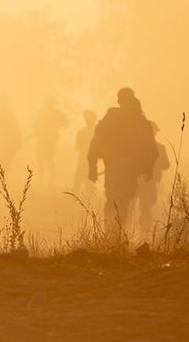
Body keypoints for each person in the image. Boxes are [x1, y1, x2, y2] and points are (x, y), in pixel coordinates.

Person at [86, 88, 158, 229]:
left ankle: (112, 233)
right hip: (126, 168)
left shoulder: (113, 117)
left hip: (117, 168)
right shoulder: (138, 120)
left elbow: (96, 142)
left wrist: (92, 167)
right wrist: (148, 168)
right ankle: (115, 232)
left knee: (114, 199)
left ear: (119, 100)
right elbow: (150, 147)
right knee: (122, 200)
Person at [136, 121, 171, 235]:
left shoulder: (137, 146)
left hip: (141, 181)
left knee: (141, 208)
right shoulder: (159, 147)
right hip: (142, 181)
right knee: (144, 209)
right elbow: (166, 165)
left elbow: (165, 165)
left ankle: (141, 234)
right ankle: (142, 234)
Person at [32, 96, 69, 186]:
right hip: (41, 137)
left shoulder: (57, 113)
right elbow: (36, 123)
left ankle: (50, 178)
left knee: (48, 158)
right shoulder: (42, 112)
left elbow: (66, 123)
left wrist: (56, 123)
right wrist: (38, 129)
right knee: (40, 157)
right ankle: (41, 177)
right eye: (47, 102)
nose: (48, 104)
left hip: (51, 139)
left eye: (49, 102)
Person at [71, 109, 98, 197]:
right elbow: (78, 147)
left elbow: (78, 147)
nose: (88, 121)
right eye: (87, 119)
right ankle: (78, 194)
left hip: (88, 158)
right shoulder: (84, 132)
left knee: (83, 176)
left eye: (89, 119)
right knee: (82, 176)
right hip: (87, 158)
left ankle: (79, 194)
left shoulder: (83, 132)